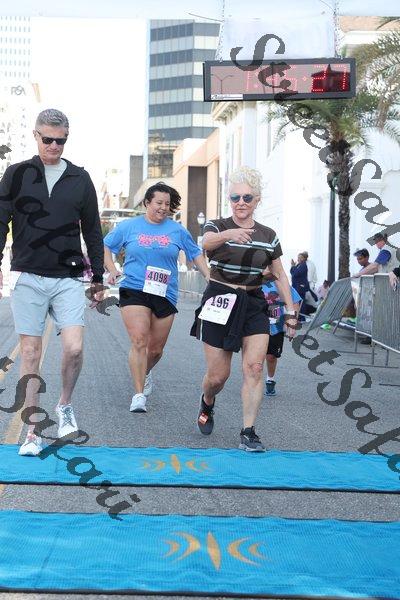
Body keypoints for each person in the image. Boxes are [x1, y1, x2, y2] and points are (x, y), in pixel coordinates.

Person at [0, 108, 104, 456]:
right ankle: (32, 430)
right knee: (30, 352)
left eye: (61, 141)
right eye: (48, 139)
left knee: (74, 348)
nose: (54, 146)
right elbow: (0, 221)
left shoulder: (80, 178)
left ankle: (64, 406)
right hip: (28, 275)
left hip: (68, 279)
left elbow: (93, 230)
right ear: (36, 136)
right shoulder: (16, 175)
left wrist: (98, 277)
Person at [191, 166, 297, 452]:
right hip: (220, 299)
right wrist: (230, 234)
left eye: (247, 197)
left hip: (253, 302)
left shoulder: (268, 235)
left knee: (254, 367)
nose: (240, 202)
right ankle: (207, 401)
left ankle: (248, 431)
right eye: (235, 197)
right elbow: (206, 243)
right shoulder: (217, 225)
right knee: (218, 376)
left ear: (257, 200)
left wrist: (290, 310)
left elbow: (279, 273)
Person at [104, 182, 209, 413]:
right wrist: (112, 269)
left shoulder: (177, 230)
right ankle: (138, 395)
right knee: (139, 340)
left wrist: (210, 277)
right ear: (147, 203)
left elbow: (195, 254)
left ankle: (145, 371)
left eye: (167, 204)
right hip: (134, 287)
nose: (163, 208)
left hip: (165, 291)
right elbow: (107, 247)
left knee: (155, 350)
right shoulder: (129, 226)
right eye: (158, 203)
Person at [262, 280, 301, 396]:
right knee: (255, 358)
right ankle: (252, 381)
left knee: (271, 356)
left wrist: (292, 323)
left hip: (275, 326)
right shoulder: (252, 280)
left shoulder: (280, 283)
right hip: (255, 324)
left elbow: (295, 301)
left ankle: (270, 378)